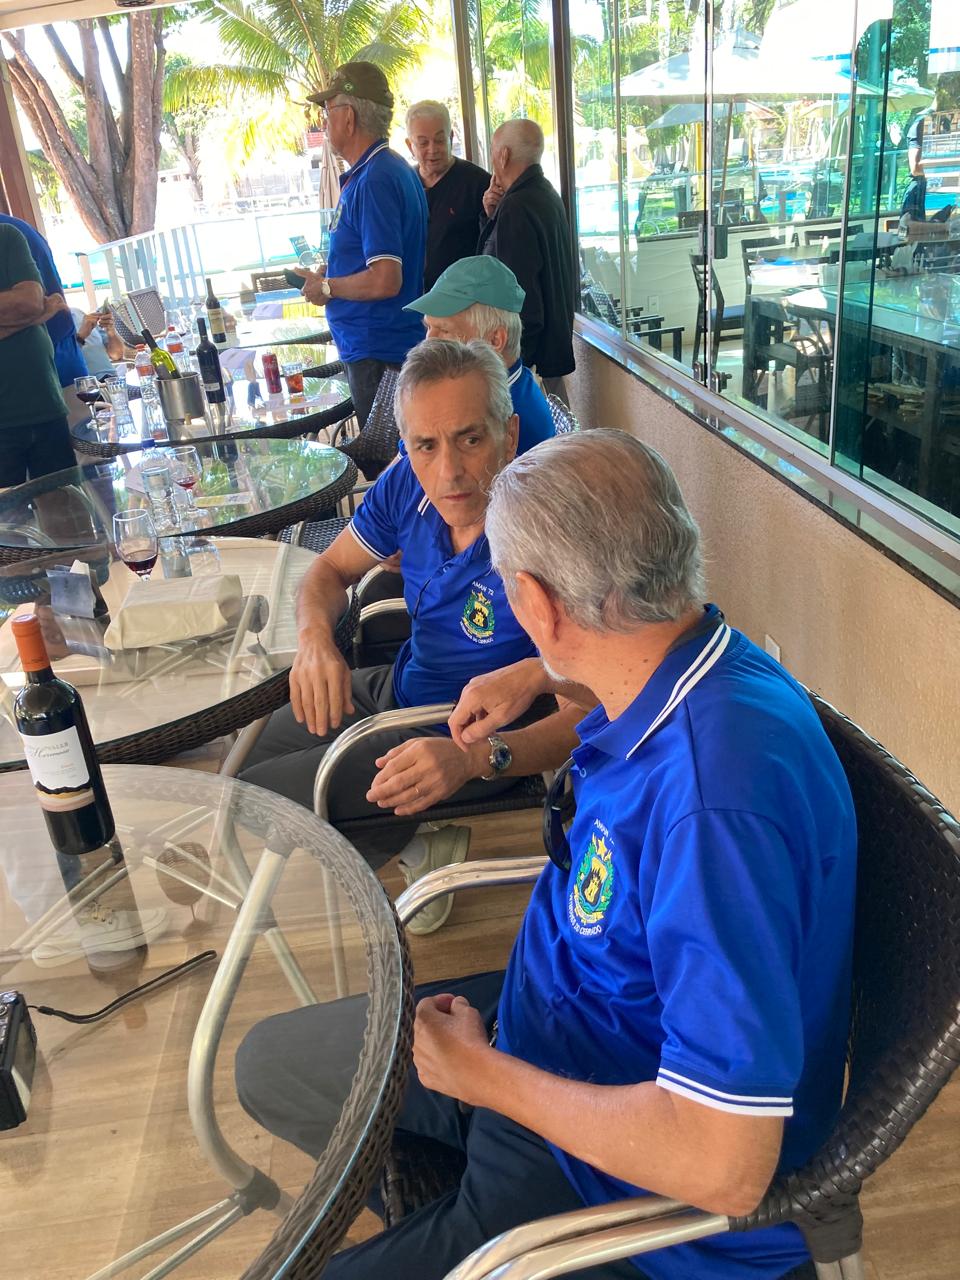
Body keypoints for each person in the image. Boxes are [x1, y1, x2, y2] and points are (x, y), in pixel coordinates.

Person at [235, 429, 856, 1280]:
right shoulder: (689, 664)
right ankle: (458, 1212)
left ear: (536, 601)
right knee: (273, 1065)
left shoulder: (714, 809)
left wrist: (485, 1079)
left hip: (614, 1181)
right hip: (546, 1026)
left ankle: (492, 1233)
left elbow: (726, 1164)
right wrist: (539, 674)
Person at [239, 340, 577, 934]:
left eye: (470, 439)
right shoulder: (405, 487)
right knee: (252, 749)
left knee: (253, 796)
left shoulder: (550, 534)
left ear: (509, 435)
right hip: (400, 684)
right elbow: (327, 570)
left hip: (463, 730)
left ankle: (398, 843)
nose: (449, 473)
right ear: (406, 446)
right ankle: (418, 842)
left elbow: (592, 709)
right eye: (426, 446)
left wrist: (477, 756)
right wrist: (316, 641)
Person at [301, 63, 428, 428]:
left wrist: (328, 287)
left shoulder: (375, 180)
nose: (324, 123)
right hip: (381, 348)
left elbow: (386, 279)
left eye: (327, 112)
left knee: (385, 457)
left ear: (349, 117)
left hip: (379, 353)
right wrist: (333, 271)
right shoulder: (388, 169)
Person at [404, 255, 555, 455]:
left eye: (445, 331)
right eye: (429, 327)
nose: (428, 342)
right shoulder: (496, 388)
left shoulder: (499, 420)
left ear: (494, 341)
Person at [478, 119, 575, 403]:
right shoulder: (544, 193)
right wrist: (491, 216)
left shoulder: (517, 206)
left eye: (493, 151)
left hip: (530, 362)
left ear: (503, 155)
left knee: (538, 430)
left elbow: (520, 297)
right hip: (549, 349)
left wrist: (514, 365)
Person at [0, 222, 76, 486]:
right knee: (8, 511)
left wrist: (33, 310)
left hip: (44, 402)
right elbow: (33, 307)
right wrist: (36, 317)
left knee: (67, 503)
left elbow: (30, 301)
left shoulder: (7, 235)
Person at [404, 100, 490, 290]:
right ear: (410, 146)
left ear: (451, 137)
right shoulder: (404, 183)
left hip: (464, 296)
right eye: (423, 143)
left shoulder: (478, 183)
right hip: (413, 296)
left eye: (440, 140)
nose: (432, 150)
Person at [0, 212, 86, 390]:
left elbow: (27, 304)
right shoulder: (20, 227)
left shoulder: (10, 232)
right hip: (61, 348)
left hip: (40, 360)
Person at [70, 305, 128, 376]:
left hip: (111, 378)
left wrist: (111, 332)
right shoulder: (56, 329)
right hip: (87, 381)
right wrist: (81, 336)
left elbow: (117, 355)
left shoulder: (77, 313)